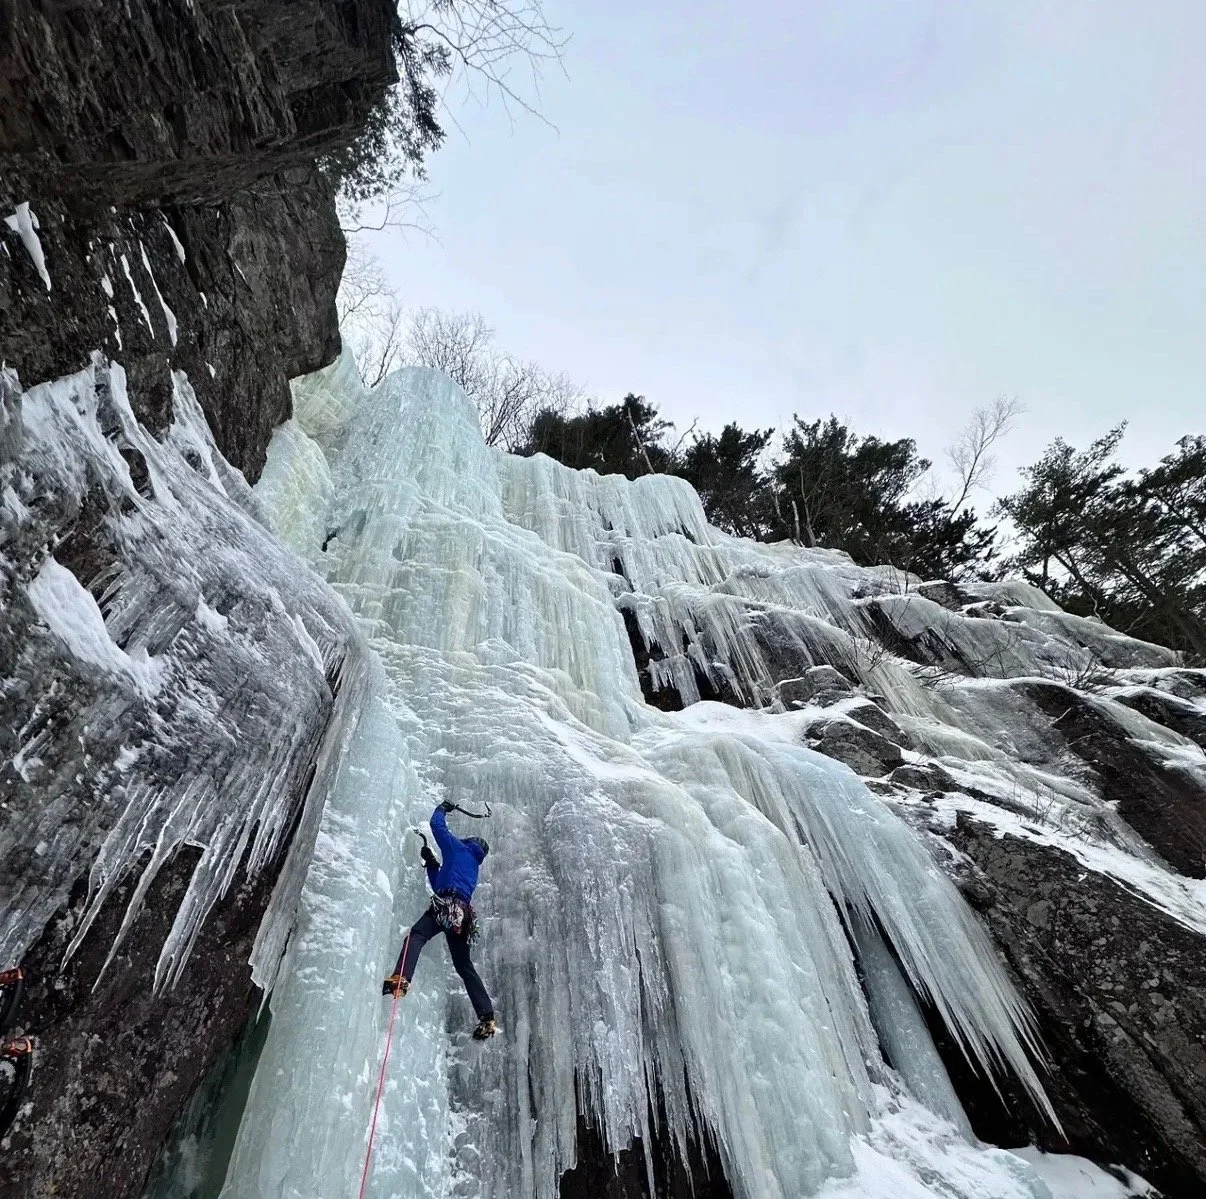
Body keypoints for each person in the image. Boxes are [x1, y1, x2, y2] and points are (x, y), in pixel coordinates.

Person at [383, 800, 497, 1041]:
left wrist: (443, 808)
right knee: (464, 966)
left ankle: (402, 978)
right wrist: (432, 863)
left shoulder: (459, 849)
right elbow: (441, 881)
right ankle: (486, 1017)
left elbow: (438, 827)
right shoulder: (472, 865)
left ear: (470, 842)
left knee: (417, 936)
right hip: (463, 916)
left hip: (446, 906)